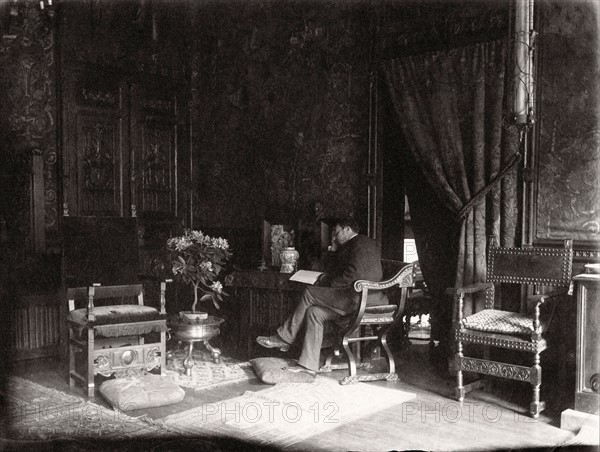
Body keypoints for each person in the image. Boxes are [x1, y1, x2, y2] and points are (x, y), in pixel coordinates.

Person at [256, 217, 387, 373]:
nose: (334, 237)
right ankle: (308, 365)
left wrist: (327, 283)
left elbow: (353, 275)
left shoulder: (357, 244)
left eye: (336, 232)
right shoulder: (364, 243)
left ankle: (285, 337)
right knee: (314, 313)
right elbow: (350, 272)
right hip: (368, 297)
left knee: (309, 292)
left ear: (347, 229)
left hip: (358, 299)